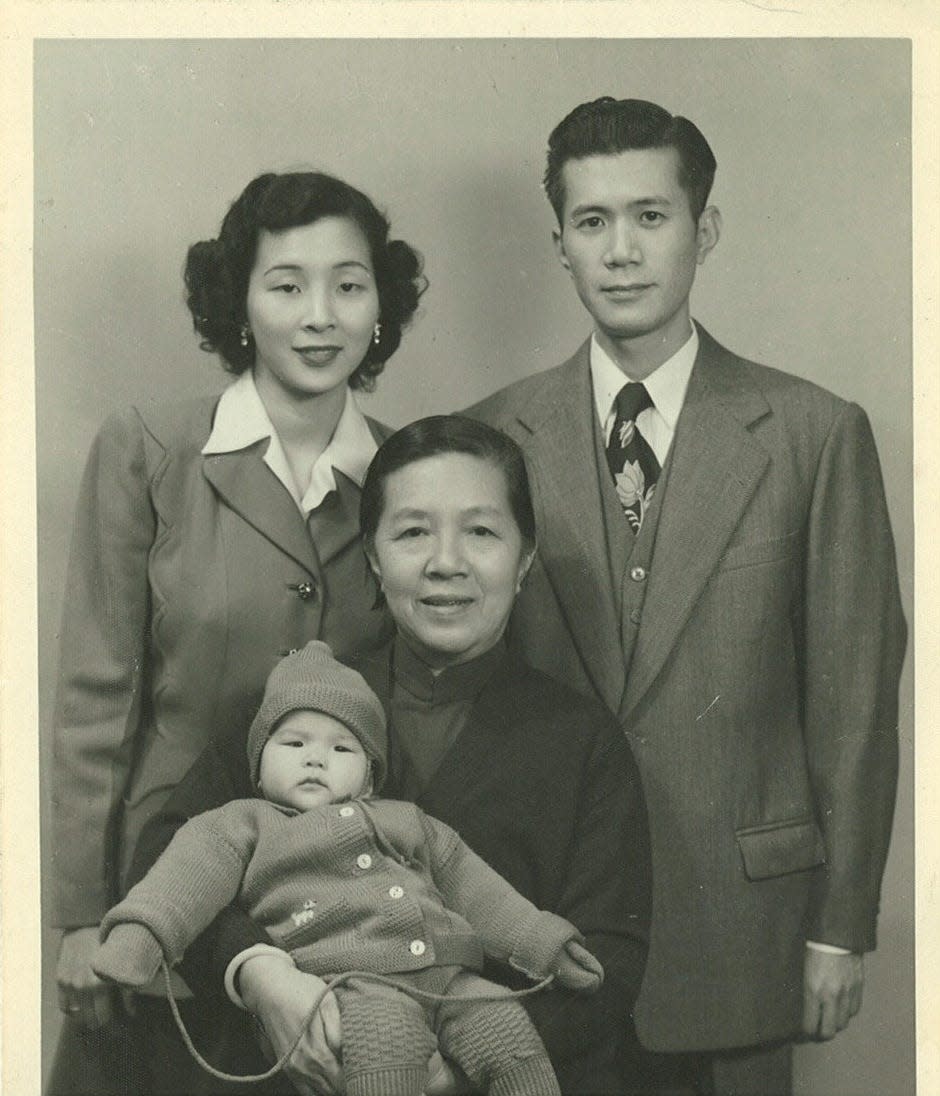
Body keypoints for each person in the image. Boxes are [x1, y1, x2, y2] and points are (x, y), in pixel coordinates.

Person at [467, 97, 907, 1095]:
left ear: (703, 231)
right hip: (540, 921)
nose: (620, 251)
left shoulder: (810, 431)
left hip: (739, 924)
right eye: (591, 223)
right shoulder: (492, 437)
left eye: (649, 217)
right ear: (558, 246)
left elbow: (852, 705)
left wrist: (840, 923)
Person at [127, 414, 652, 1095]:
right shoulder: (298, 701)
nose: (446, 562)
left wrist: (458, 1072)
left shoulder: (581, 738)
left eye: (482, 532)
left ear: (524, 559)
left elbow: (609, 957)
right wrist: (257, 973)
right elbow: (168, 855)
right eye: (411, 532)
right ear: (373, 557)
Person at [48, 170, 425, 1095]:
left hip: (341, 904)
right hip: (163, 886)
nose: (319, 314)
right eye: (286, 284)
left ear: (381, 305)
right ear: (240, 304)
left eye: (348, 283)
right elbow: (98, 696)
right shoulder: (149, 449)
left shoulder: (409, 474)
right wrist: (82, 917)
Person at [94, 639, 605, 1096]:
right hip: (354, 983)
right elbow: (177, 886)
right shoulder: (241, 824)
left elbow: (478, 890)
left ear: (367, 777)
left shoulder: (408, 822)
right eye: (294, 744)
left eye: (341, 748)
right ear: (257, 761)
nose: (316, 759)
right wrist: (139, 938)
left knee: (508, 1031)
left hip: (452, 976)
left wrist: (546, 945)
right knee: (387, 1046)